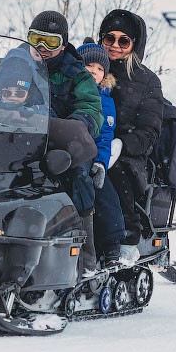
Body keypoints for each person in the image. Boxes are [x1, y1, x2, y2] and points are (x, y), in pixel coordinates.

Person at [26, 11, 104, 276]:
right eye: (36, 39)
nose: (42, 48)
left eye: (50, 42)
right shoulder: (15, 65)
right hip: (17, 140)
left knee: (78, 174)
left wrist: (73, 127)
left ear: (63, 43)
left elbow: (91, 110)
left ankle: (85, 257)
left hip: (63, 145)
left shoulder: (77, 74)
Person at [98, 9, 165, 265]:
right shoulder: (89, 68)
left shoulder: (147, 81)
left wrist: (121, 144)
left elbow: (149, 132)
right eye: (109, 38)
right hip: (87, 143)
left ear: (134, 44)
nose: (115, 45)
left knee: (115, 173)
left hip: (128, 154)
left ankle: (125, 238)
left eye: (123, 40)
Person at [76, 36, 129, 266]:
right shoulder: (69, 90)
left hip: (90, 157)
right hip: (65, 151)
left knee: (104, 194)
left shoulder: (105, 101)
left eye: (99, 68)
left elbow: (105, 137)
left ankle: (111, 246)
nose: (93, 71)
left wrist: (99, 162)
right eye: (88, 66)